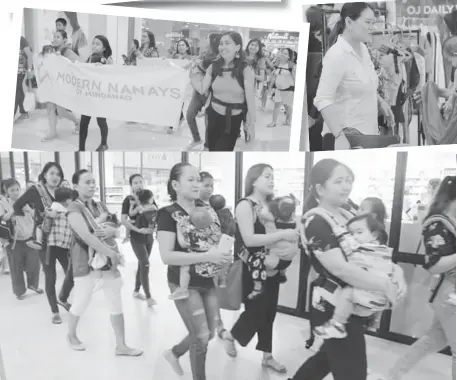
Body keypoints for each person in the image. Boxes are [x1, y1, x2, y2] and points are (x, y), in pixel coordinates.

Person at [289, 158, 406, 380]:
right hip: (332, 307)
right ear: (320, 188)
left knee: (323, 360)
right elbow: (340, 269)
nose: (346, 186)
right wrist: (383, 284)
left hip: (351, 303)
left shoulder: (348, 214)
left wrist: (395, 272)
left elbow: (370, 251)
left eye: (349, 180)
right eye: (339, 181)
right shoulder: (316, 221)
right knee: (352, 373)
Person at [220, 164, 299, 374]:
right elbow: (250, 239)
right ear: (253, 180)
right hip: (252, 267)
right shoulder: (245, 205)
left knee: (270, 312)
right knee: (256, 311)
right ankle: (231, 336)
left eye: (273, 176)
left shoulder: (273, 205)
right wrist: (283, 236)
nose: (271, 180)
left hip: (272, 266)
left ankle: (267, 355)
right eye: (266, 176)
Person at [157, 162, 232, 379]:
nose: (196, 184)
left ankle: (173, 353)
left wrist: (221, 256)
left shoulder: (206, 209)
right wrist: (208, 256)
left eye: (198, 179)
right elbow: (166, 256)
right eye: (190, 179)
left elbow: (214, 239)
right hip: (184, 283)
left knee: (206, 334)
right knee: (201, 336)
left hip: (208, 280)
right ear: (175, 184)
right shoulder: (168, 214)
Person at [382, 176, 456, 380]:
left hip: (449, 292)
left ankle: (392, 375)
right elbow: (434, 264)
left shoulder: (451, 222)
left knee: (433, 340)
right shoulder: (437, 224)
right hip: (448, 293)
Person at [66, 169, 142, 356]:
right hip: (86, 260)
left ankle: (121, 345)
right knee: (82, 299)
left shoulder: (99, 205)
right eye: (87, 182)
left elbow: (115, 225)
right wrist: (109, 251)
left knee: (115, 299)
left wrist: (111, 232)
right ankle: (71, 334)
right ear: (76, 186)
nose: (92, 185)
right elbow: (85, 235)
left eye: (93, 181)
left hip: (107, 262)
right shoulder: (74, 208)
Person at [314, 2, 395, 150]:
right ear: (349, 22)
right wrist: (339, 136)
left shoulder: (363, 49)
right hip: (347, 137)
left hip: (368, 134)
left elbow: (362, 84)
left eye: (374, 23)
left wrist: (380, 102)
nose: (373, 27)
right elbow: (322, 99)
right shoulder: (337, 55)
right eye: (368, 22)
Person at [312, 212, 398, 339]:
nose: (354, 237)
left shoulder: (365, 249)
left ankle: (337, 324)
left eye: (359, 232)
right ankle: (372, 320)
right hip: (380, 296)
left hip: (370, 293)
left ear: (374, 234)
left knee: (347, 293)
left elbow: (345, 247)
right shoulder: (382, 248)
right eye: (351, 234)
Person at [189, 31, 256, 151]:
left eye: (227, 43)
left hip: (234, 118)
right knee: (212, 149)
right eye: (221, 43)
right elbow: (202, 89)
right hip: (213, 114)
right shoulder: (213, 67)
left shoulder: (245, 69)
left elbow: (250, 101)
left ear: (237, 47)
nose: (222, 47)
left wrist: (251, 125)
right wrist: (193, 76)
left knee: (224, 149)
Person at [13, 162, 64, 299]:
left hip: (63, 236)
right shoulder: (36, 190)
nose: (55, 176)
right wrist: (28, 219)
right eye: (52, 173)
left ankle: (64, 297)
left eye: (58, 174)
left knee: (69, 270)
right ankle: (54, 309)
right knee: (50, 273)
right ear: (45, 175)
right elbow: (17, 205)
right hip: (45, 238)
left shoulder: (62, 190)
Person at [1, 179, 43, 300]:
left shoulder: (27, 201)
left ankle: (33, 284)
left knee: (34, 264)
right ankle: (19, 291)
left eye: (17, 189)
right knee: (16, 267)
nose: (15, 192)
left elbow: (37, 216)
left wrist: (29, 210)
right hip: (13, 241)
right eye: (12, 190)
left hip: (30, 238)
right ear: (6, 191)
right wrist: (14, 209)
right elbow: (3, 217)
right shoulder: (3, 203)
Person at [121, 174, 157, 306]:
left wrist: (154, 230)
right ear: (131, 185)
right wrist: (136, 231)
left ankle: (136, 291)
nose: (138, 185)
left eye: (140, 182)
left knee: (142, 264)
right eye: (135, 182)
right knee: (145, 263)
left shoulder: (148, 196)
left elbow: (155, 214)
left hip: (149, 237)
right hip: (137, 237)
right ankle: (148, 297)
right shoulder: (128, 200)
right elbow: (124, 220)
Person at [186, 33, 222, 151]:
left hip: (211, 92)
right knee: (189, 115)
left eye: (207, 38)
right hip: (198, 89)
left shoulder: (219, 56)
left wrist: (198, 65)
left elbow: (213, 73)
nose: (205, 40)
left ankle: (207, 145)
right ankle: (196, 139)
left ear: (212, 41)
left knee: (209, 121)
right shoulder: (205, 53)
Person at [44, 187, 75, 324]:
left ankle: (62, 298)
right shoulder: (54, 208)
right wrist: (48, 215)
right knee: (51, 278)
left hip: (65, 248)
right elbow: (47, 222)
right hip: (51, 246)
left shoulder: (70, 212)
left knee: (71, 275)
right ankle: (55, 312)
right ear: (67, 200)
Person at [78, 35, 113, 152]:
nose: (94, 46)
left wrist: (104, 65)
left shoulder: (106, 59)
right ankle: (81, 148)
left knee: (101, 121)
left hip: (99, 97)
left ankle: (104, 143)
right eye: (93, 43)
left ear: (104, 48)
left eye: (98, 44)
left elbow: (111, 74)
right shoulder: (90, 57)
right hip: (88, 96)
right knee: (84, 123)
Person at [267, 48, 296, 128]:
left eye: (285, 54)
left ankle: (288, 120)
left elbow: (295, 79)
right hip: (278, 89)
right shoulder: (277, 64)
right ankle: (273, 122)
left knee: (287, 106)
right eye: (282, 53)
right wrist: (270, 87)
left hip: (288, 90)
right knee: (276, 105)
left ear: (289, 56)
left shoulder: (292, 66)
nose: (283, 54)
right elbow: (274, 76)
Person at [15, 37, 34, 122]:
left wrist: (29, 70)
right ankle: (24, 112)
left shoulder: (21, 39)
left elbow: (29, 54)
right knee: (18, 91)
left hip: (20, 70)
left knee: (17, 91)